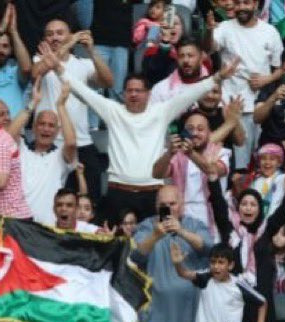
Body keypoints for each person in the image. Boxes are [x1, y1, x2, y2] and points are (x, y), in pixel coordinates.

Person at [42, 47, 226, 222]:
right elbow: (82, 91)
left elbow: (191, 94)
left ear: (148, 94)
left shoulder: (161, 111)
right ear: (123, 94)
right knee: (113, 240)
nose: (134, 94)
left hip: (153, 192)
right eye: (129, 90)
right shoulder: (113, 110)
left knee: (157, 237)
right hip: (118, 191)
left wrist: (218, 77)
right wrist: (58, 68)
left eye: (138, 91)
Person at [30, 19, 114, 200]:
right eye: (50, 34)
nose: (54, 37)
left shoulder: (83, 63)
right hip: (50, 143)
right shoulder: (38, 60)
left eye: (60, 33)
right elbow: (36, 72)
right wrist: (69, 43)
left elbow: (108, 81)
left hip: (81, 142)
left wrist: (91, 51)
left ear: (69, 34)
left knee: (89, 201)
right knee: (49, 200)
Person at [131, 186, 214, 322]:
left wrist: (181, 231)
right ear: (156, 206)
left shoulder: (195, 225)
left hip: (189, 309)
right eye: (163, 205)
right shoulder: (147, 226)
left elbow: (208, 247)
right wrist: (155, 235)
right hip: (156, 309)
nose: (168, 209)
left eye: (172, 204)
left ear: (182, 204)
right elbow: (136, 254)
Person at [209, 0, 283, 166]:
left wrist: (266, 79)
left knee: (257, 160)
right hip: (230, 104)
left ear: (255, 4)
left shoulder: (270, 31)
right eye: (238, 3)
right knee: (232, 161)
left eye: (246, 3)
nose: (241, 7)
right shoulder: (224, 28)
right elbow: (209, 48)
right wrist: (209, 30)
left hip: (259, 106)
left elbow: (280, 68)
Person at [6, 80, 77, 225]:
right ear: (33, 127)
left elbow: (71, 142)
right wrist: (33, 103)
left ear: (57, 131)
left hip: (48, 226)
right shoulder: (22, 149)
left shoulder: (60, 156)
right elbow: (8, 135)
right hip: (19, 223)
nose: (46, 129)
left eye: (51, 126)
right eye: (42, 124)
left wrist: (61, 106)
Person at [171, 244, 267, 322]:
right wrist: (177, 264)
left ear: (231, 265)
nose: (216, 266)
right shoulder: (206, 277)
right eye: (213, 262)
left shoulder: (238, 285)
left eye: (221, 262)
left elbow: (262, 303)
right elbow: (184, 273)